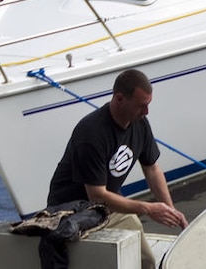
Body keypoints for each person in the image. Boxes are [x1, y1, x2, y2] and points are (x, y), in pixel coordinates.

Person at [47, 69, 188, 269]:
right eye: (141, 106)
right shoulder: (91, 133)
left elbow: (151, 169)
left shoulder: (140, 123)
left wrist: (170, 209)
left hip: (106, 205)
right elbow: (96, 194)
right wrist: (148, 208)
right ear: (119, 98)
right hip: (71, 211)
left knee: (145, 261)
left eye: (148, 105)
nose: (146, 112)